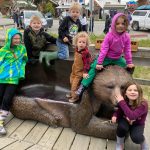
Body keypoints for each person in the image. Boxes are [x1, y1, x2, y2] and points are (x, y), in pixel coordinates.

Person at [74, 13, 135, 99]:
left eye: (123, 24)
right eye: (117, 24)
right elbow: (104, 50)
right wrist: (99, 63)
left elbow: (127, 50)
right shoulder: (109, 36)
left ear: (126, 25)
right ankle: (83, 86)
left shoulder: (126, 37)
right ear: (113, 24)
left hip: (117, 58)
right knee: (93, 69)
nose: (120, 26)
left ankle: (130, 88)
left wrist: (129, 62)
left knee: (129, 69)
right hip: (106, 57)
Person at [0, 28, 28, 135]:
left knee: (7, 99)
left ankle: (1, 122)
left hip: (13, 79)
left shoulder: (22, 49)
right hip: (1, 78)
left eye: (19, 38)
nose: (17, 40)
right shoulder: (3, 51)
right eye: (14, 38)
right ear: (9, 39)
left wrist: (21, 72)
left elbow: (24, 60)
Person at [111, 81, 149, 150]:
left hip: (137, 124)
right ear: (125, 93)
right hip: (125, 120)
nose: (132, 92)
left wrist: (121, 102)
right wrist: (115, 115)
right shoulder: (124, 101)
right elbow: (120, 110)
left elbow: (132, 116)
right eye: (130, 90)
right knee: (122, 127)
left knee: (136, 137)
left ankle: (143, 142)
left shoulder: (143, 104)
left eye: (135, 90)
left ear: (139, 93)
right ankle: (120, 143)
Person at [66, 32, 91, 103]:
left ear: (86, 44)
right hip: (74, 71)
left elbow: (87, 63)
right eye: (79, 42)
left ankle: (75, 97)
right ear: (76, 43)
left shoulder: (85, 53)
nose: (81, 44)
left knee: (74, 85)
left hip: (79, 73)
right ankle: (72, 92)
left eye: (84, 42)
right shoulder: (77, 49)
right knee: (71, 82)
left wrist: (85, 72)